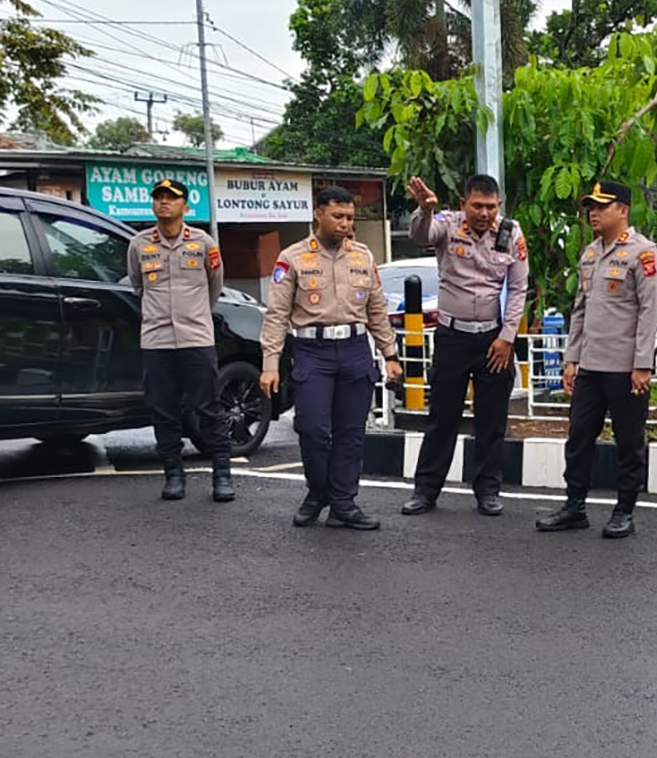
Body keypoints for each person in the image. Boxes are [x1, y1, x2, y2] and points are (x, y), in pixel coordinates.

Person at [259, 187, 404, 530]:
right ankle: (318, 491)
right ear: (318, 214)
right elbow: (277, 315)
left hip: (355, 351)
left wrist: (390, 354)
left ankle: (343, 503)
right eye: (337, 216)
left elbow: (377, 310)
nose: (345, 224)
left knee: (350, 433)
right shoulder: (292, 257)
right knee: (311, 428)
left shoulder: (363, 256)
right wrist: (269, 365)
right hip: (313, 353)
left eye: (350, 218)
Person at [536, 180, 657, 539]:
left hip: (625, 369)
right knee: (578, 437)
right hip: (590, 366)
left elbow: (648, 312)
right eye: (590, 206)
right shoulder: (589, 254)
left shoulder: (643, 253)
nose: (593, 212)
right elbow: (580, 310)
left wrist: (642, 365)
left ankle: (624, 510)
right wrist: (571, 358)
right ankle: (574, 505)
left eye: (601, 206)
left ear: (623, 210)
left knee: (628, 441)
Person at [399, 174, 529, 518]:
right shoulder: (446, 223)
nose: (484, 213)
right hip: (452, 337)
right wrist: (425, 210)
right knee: (442, 417)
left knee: (492, 420)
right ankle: (425, 491)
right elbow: (421, 234)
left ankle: (488, 489)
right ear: (463, 204)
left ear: (498, 205)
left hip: (493, 341)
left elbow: (518, 289)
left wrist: (507, 337)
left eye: (490, 207)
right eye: (477, 206)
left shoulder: (510, 233)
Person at [125, 178, 234, 503]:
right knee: (163, 410)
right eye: (158, 197)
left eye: (171, 198)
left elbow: (215, 285)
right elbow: (136, 284)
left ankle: (222, 475)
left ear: (185, 206)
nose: (163, 203)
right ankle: (173, 474)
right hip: (157, 341)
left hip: (196, 339)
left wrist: (195, 314)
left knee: (209, 408)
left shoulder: (203, 243)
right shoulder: (139, 245)